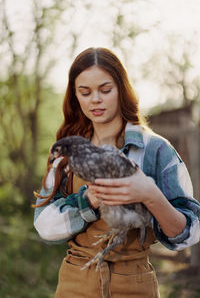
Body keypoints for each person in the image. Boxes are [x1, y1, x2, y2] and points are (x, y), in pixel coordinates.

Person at [33, 47, 200, 298]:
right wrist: (87, 202)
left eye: (105, 90)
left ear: (122, 89)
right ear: (75, 96)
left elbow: (190, 232)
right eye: (85, 92)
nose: (95, 100)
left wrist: (150, 195)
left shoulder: (156, 150)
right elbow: (44, 225)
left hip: (134, 285)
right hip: (75, 283)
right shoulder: (65, 154)